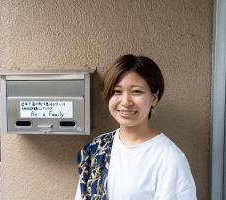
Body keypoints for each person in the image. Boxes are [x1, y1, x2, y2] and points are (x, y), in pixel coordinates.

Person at [75, 54, 197, 200]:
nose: (126, 102)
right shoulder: (97, 148)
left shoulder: (168, 158)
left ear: (154, 98)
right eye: (117, 91)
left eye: (136, 91)